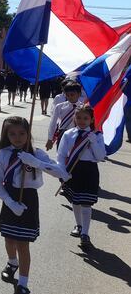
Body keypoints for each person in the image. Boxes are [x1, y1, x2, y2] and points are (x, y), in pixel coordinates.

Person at [0, 116, 68, 294]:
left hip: (29, 199)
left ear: (28, 133)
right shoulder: (2, 154)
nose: (17, 137)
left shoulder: (37, 153)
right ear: (6, 135)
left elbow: (62, 173)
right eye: (12, 134)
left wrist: (36, 163)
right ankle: (12, 263)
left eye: (21, 133)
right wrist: (10, 202)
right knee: (9, 239)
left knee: (23, 243)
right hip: (10, 198)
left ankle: (23, 284)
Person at [56, 105, 105, 251]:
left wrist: (94, 142)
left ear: (91, 120)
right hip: (73, 170)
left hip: (89, 171)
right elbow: (61, 154)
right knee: (75, 200)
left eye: (85, 118)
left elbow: (100, 156)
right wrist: (62, 171)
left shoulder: (97, 135)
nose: (82, 121)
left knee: (86, 203)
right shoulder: (68, 134)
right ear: (74, 118)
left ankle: (85, 234)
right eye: (78, 118)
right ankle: (78, 225)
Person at [46, 81, 84, 150]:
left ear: (79, 94)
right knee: (61, 157)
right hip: (62, 134)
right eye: (67, 95)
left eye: (72, 95)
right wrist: (50, 139)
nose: (69, 97)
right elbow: (53, 123)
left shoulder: (83, 108)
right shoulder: (60, 107)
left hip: (78, 135)